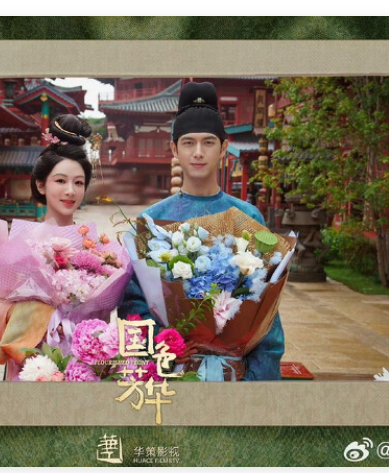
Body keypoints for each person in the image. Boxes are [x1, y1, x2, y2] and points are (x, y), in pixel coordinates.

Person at [118, 82, 285, 381]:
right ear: (174, 149)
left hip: (235, 371)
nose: (198, 153)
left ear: (223, 147)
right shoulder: (153, 219)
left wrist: (256, 380)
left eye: (208, 142)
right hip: (172, 370)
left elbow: (266, 309)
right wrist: (162, 345)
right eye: (188, 143)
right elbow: (133, 304)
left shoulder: (248, 217)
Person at [0, 114, 93, 381]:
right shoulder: (21, 243)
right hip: (31, 361)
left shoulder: (96, 247)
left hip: (81, 360)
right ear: (41, 184)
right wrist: (39, 315)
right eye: (60, 181)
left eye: (78, 182)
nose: (70, 191)